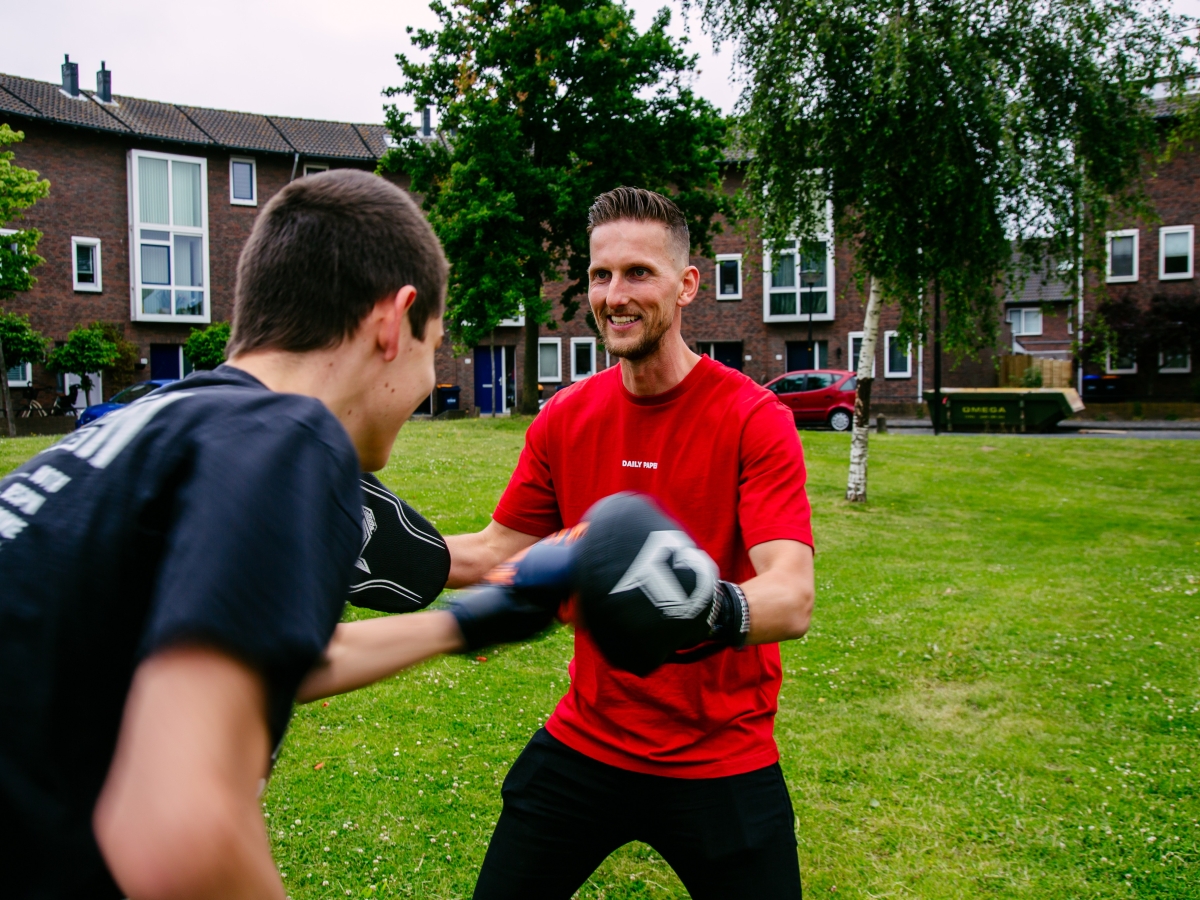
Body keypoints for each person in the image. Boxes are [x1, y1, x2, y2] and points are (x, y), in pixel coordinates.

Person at [0, 170, 566, 900]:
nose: (429, 375)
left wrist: (470, 624)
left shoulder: (161, 425)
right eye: (435, 343)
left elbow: (241, 651)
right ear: (394, 321)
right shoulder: (287, 436)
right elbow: (181, 832)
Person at [446, 186, 816, 899]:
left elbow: (790, 594)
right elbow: (495, 552)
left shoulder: (753, 418)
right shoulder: (565, 417)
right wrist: (359, 548)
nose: (615, 295)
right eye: (599, 275)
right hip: (590, 739)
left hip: (721, 755)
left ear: (686, 287)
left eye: (638, 273)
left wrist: (704, 609)